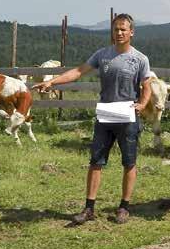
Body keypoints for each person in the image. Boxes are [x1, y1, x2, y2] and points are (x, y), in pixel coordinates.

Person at [33, 13, 152, 225]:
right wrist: (53, 82)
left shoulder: (140, 59)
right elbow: (78, 72)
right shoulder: (102, 55)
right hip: (106, 114)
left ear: (131, 32)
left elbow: (147, 87)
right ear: (112, 32)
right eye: (116, 29)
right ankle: (89, 208)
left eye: (123, 29)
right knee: (95, 162)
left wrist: (142, 104)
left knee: (129, 162)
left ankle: (124, 207)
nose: (119, 33)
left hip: (127, 115)